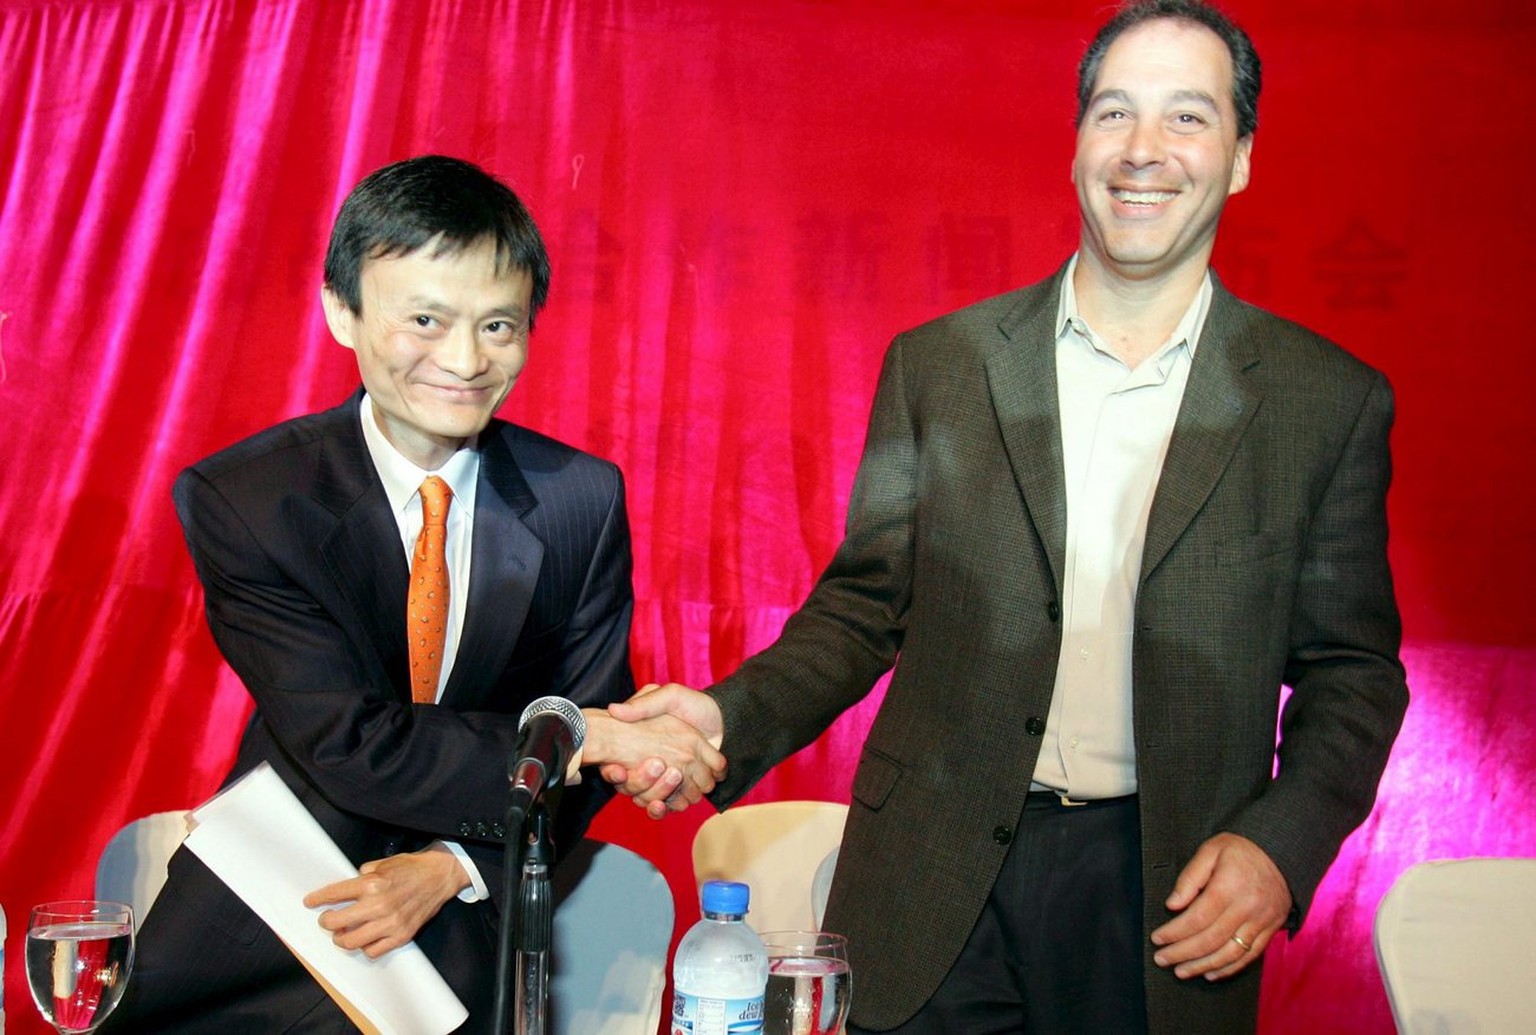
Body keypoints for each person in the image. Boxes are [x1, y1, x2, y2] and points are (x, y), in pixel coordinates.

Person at [607, 3, 1409, 1031]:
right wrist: (722, 718)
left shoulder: (1323, 401)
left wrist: (1280, 846)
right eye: (1114, 112)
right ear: (1078, 142)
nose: (1144, 151)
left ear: (1242, 157)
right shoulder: (941, 366)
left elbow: (1354, 670)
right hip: (931, 874)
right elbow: (863, 610)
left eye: (1188, 118)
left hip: (1166, 897)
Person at [108, 155, 724, 1033]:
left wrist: (452, 867)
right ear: (342, 311)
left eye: (500, 326)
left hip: (476, 907)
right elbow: (348, 738)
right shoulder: (249, 498)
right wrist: (594, 733)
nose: (466, 361)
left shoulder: (580, 498)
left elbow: (581, 744)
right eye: (426, 320)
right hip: (289, 900)